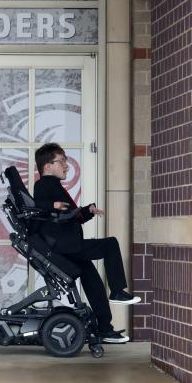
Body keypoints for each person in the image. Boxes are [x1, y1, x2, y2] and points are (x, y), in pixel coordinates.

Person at [33, 142, 140, 344]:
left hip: (68, 245)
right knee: (110, 244)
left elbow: (70, 216)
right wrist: (51, 205)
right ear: (47, 167)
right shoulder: (44, 184)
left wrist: (87, 211)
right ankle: (117, 290)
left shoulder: (54, 186)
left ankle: (105, 330)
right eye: (62, 161)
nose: (66, 166)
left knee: (94, 284)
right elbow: (37, 207)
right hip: (65, 246)